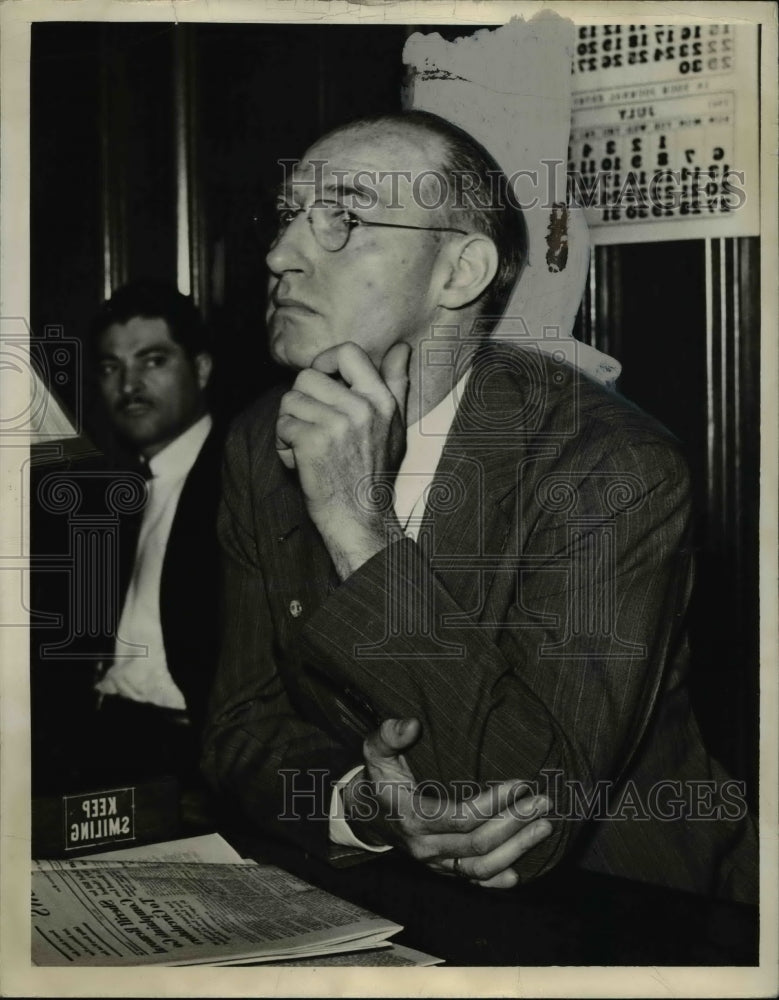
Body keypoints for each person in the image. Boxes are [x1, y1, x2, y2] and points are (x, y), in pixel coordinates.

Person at [202, 110, 757, 902]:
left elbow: (524, 811)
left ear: (458, 273)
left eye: (346, 218)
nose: (280, 254)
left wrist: (359, 531)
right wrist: (368, 802)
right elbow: (238, 729)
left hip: (638, 912)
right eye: (289, 215)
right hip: (394, 898)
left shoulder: (609, 465)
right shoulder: (263, 440)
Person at [85, 279, 224, 786]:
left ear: (202, 369)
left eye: (153, 360)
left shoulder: (240, 477)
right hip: (110, 740)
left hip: (199, 757)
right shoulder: (111, 491)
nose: (128, 386)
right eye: (110, 367)